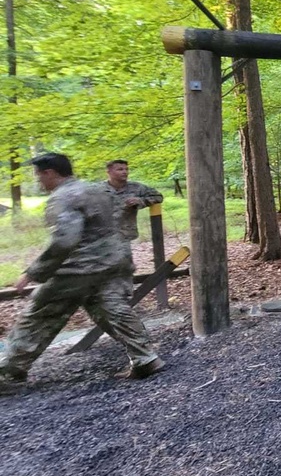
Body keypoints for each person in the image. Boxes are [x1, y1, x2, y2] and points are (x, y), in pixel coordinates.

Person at [0, 153, 164, 388]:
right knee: (111, 308)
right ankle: (145, 357)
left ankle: (9, 372)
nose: (38, 182)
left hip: (81, 267)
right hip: (115, 261)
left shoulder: (64, 197)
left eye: (38, 176)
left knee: (40, 313)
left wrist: (34, 272)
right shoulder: (97, 190)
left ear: (49, 173)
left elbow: (64, 240)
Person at [104, 159, 163, 252]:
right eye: (120, 169)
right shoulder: (98, 189)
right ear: (109, 172)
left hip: (125, 233)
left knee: (123, 261)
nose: (125, 172)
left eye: (126, 169)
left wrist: (141, 201)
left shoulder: (136, 187)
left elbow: (158, 197)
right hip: (102, 234)